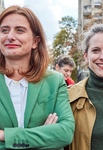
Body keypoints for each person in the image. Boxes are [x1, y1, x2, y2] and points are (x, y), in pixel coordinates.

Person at [0, 5, 75, 149]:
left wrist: (5, 136)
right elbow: (54, 137)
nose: (10, 36)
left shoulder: (54, 81)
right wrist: (43, 137)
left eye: (20, 30)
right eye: (4, 30)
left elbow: (65, 133)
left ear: (35, 42)